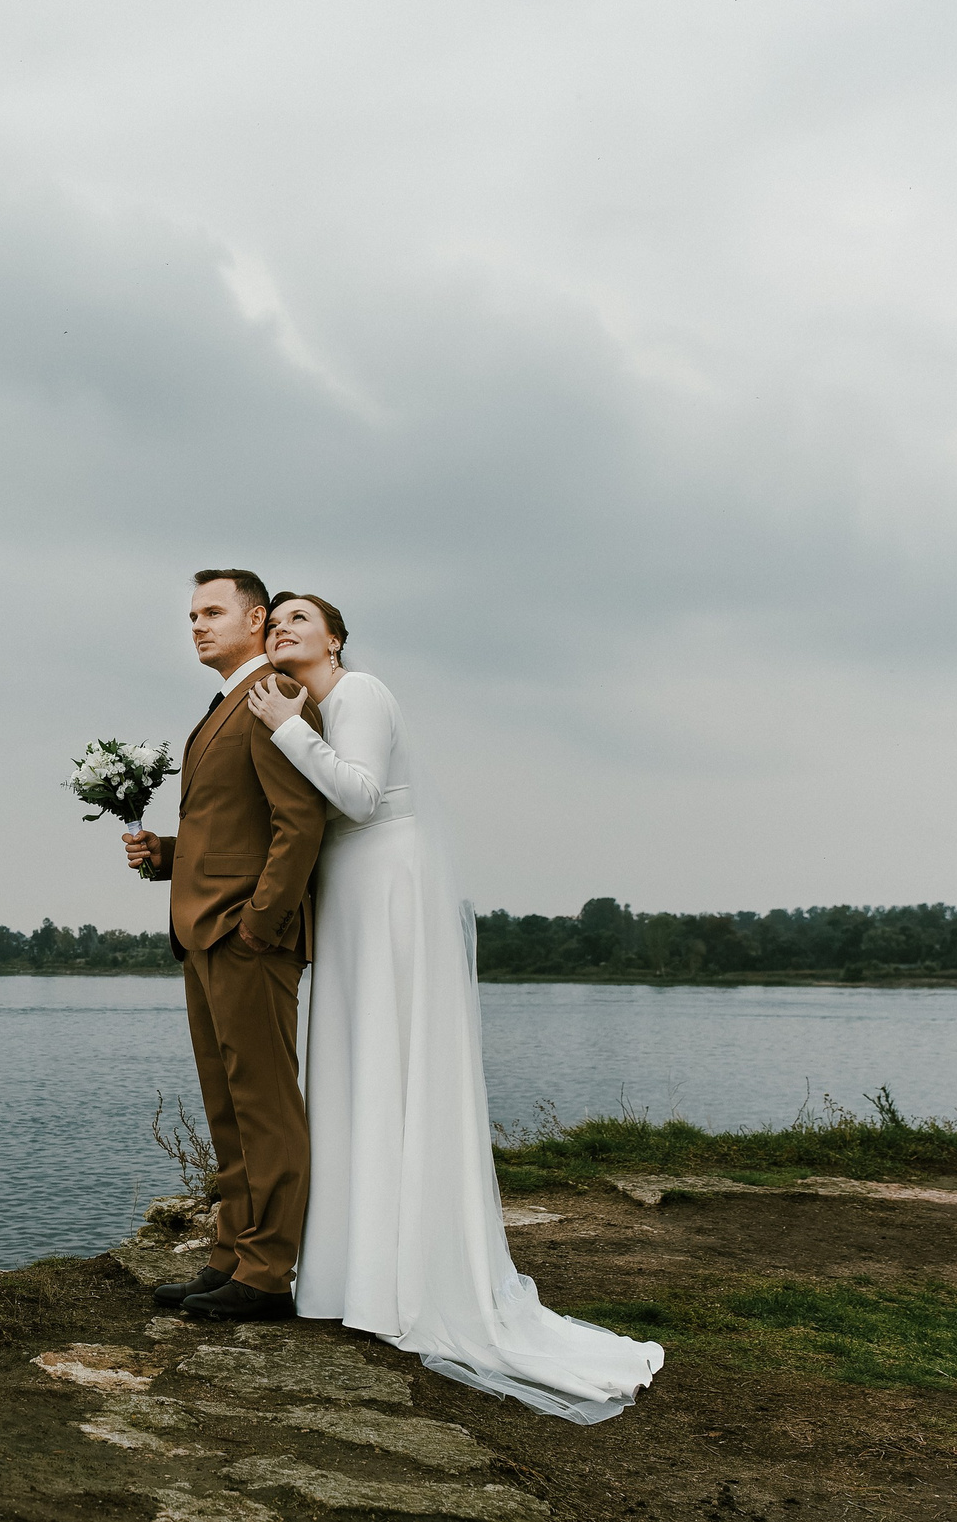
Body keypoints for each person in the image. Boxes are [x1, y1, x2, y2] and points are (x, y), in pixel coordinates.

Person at [242, 591, 664, 1422]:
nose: (284, 628)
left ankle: (396, 1277)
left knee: (389, 1052)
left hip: (386, 883)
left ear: (335, 640)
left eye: (300, 620)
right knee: (356, 1060)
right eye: (276, 620)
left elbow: (360, 798)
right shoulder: (317, 707)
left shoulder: (359, 694)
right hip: (351, 888)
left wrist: (286, 728)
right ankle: (350, 1272)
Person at [124, 570, 326, 1321]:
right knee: (228, 1108)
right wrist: (167, 855)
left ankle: (268, 1273)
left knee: (265, 1108)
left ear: (257, 618)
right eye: (192, 615)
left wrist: (259, 926)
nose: (198, 626)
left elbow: (297, 823)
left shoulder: (274, 696)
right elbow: (233, 828)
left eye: (214, 612)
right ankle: (231, 1256)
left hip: (246, 937)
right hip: (202, 933)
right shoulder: (221, 708)